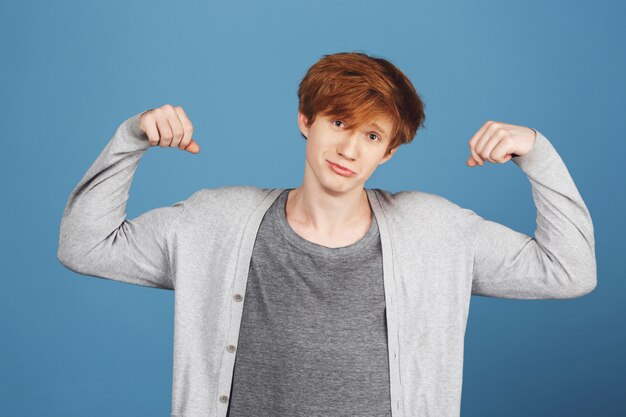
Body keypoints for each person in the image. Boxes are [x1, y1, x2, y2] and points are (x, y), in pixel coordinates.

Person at [57, 51, 597, 417]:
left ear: (389, 151)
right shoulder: (214, 221)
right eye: (338, 123)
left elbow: (569, 271)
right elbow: (84, 245)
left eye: (371, 135)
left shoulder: (436, 231)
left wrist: (537, 152)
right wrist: (131, 137)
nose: (349, 149)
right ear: (305, 121)